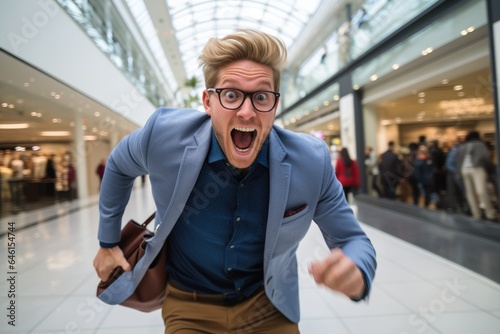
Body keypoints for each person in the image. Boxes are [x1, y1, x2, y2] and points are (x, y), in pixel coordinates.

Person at [93, 29, 376, 333]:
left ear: (275, 105)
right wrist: (108, 241)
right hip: (189, 305)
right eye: (230, 95)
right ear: (207, 101)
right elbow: (119, 165)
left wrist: (357, 270)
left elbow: (353, 240)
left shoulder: (311, 160)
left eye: (261, 97)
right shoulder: (163, 136)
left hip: (268, 303)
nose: (246, 111)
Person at [456, 130, 497, 221]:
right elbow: (485, 157)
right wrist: (491, 169)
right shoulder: (480, 144)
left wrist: (458, 172)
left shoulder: (462, 146)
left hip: (464, 170)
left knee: (470, 193)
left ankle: (476, 214)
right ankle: (490, 214)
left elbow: (458, 160)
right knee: (481, 191)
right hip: (477, 168)